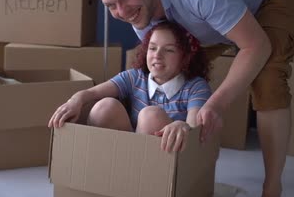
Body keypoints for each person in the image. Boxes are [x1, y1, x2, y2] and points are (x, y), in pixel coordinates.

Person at [89, 0, 294, 197]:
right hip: (209, 16)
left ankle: (272, 193)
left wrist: (216, 104)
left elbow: (256, 46)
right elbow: (156, 81)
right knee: (169, 67)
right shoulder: (142, 16)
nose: (122, 11)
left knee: (267, 79)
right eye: (111, 5)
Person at [48, 21, 211, 153]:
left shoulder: (195, 87)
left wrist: (183, 125)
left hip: (164, 160)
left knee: (150, 116)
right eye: (152, 48)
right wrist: (75, 100)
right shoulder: (134, 77)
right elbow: (92, 92)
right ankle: (109, 167)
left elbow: (194, 127)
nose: (157, 55)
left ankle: (141, 176)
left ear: (186, 58)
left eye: (169, 50)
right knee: (105, 107)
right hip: (126, 150)